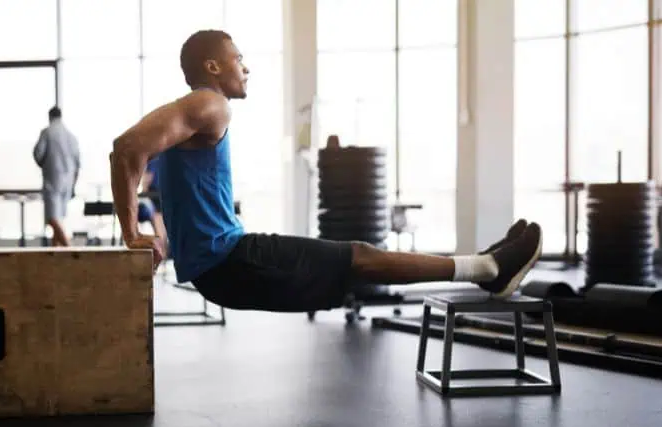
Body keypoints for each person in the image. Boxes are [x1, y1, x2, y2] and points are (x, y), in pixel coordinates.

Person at [109, 30, 543, 313]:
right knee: (360, 257)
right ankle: (488, 268)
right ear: (213, 67)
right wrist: (132, 233)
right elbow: (125, 149)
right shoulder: (209, 102)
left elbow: (128, 155)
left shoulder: (197, 112)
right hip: (230, 261)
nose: (246, 68)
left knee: (356, 268)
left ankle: (488, 266)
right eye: (238, 58)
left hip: (222, 268)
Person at [33, 106, 80, 246]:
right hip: (69, 181)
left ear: (50, 117)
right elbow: (78, 164)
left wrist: (44, 164)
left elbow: (38, 154)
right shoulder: (71, 136)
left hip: (52, 180)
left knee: (53, 219)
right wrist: (73, 185)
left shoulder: (47, 132)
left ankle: (70, 250)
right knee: (59, 218)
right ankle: (56, 255)